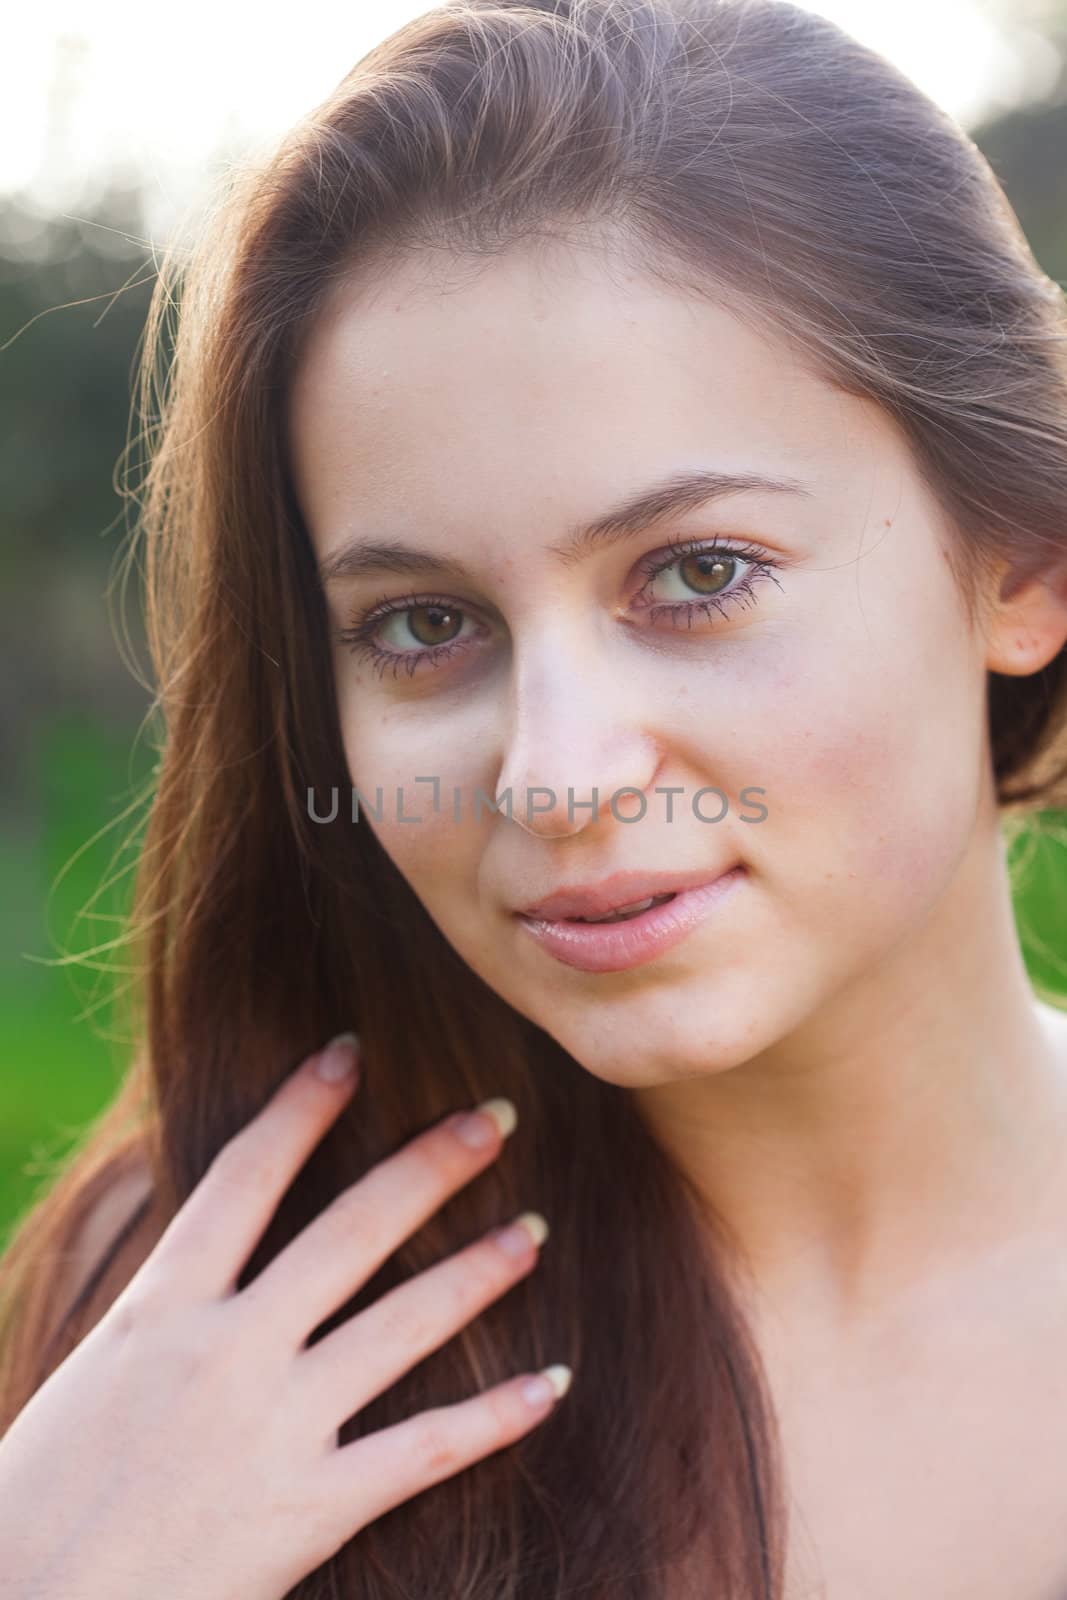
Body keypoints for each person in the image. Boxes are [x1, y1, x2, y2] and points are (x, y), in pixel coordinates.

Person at [3, 0, 1067, 1594]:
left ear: (1026, 565)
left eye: (698, 575)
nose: (556, 776)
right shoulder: (189, 1345)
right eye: (422, 625)